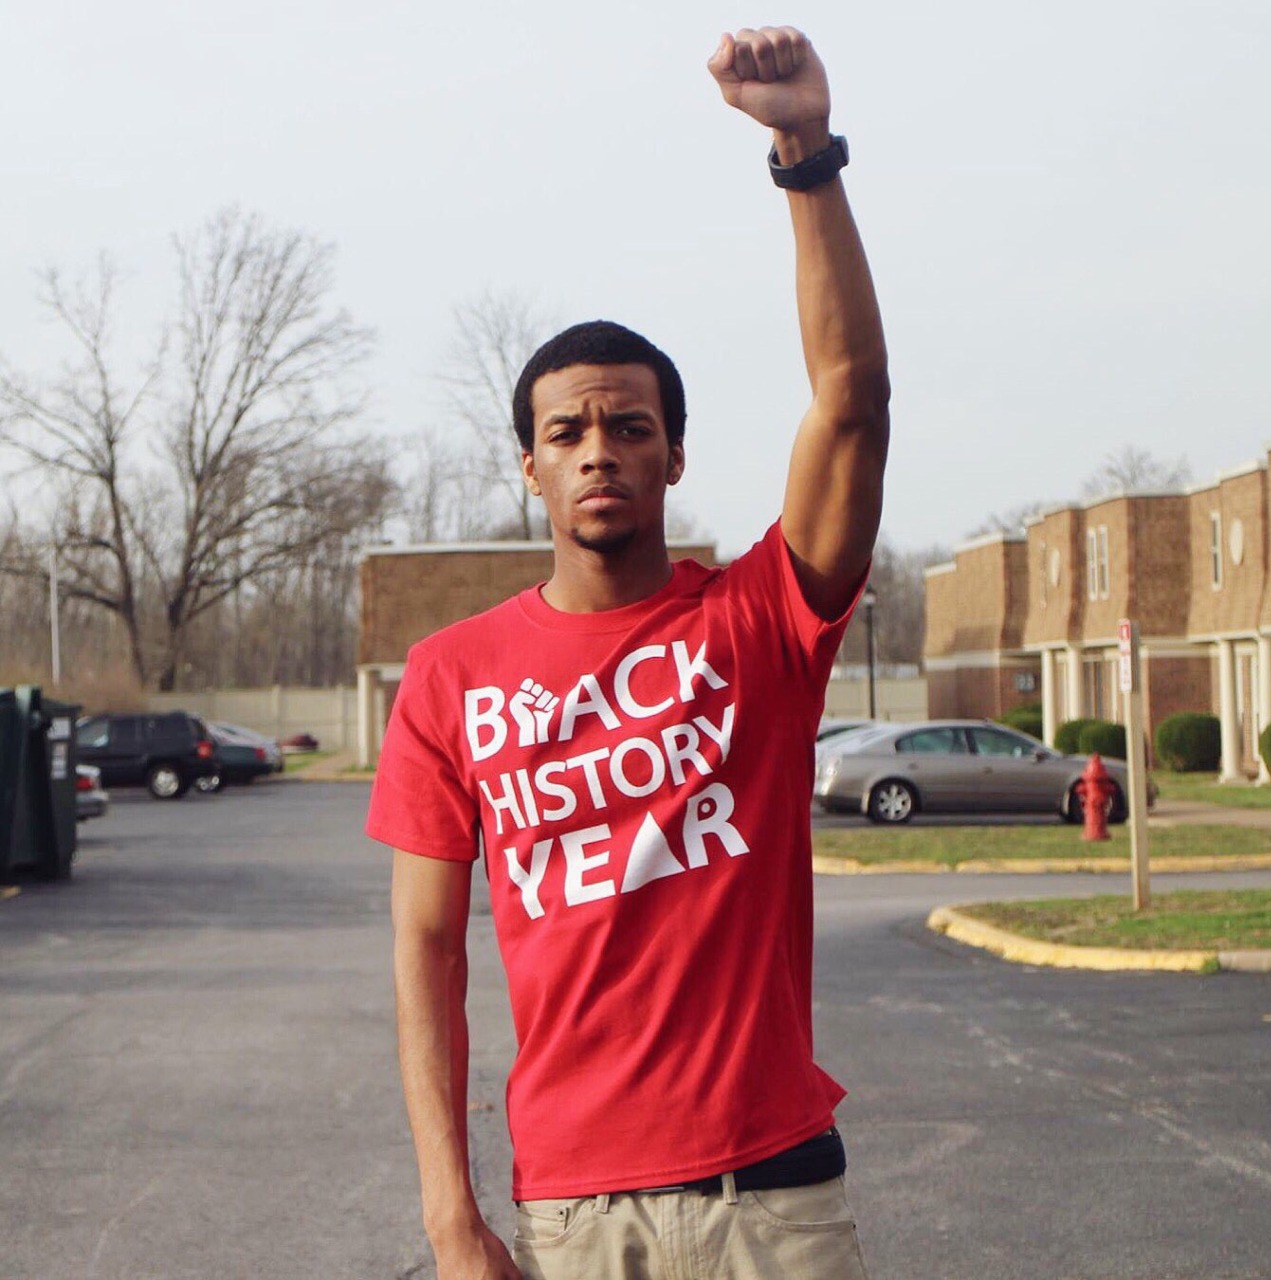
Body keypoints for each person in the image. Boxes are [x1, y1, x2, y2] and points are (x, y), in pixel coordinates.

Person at [367, 24, 889, 1280]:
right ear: (531, 464)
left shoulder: (759, 620)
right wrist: (452, 1216)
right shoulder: (449, 675)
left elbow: (852, 396)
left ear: (672, 454)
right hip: (566, 1209)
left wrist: (804, 157)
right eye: (568, 430)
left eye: (629, 424)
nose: (599, 445)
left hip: (766, 1193)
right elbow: (429, 956)